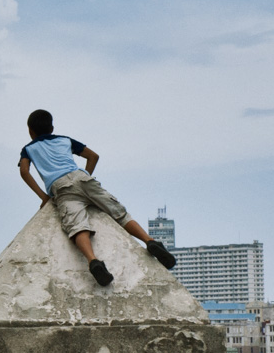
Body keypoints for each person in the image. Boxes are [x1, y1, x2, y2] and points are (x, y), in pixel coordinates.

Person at [18, 108, 177, 288]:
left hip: (61, 188)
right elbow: (93, 156)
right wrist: (86, 177)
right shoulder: (64, 140)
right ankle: (150, 241)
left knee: (77, 226)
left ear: (30, 131)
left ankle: (93, 261)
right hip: (82, 178)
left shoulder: (29, 149)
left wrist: (44, 197)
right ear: (52, 127)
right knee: (119, 212)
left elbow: (24, 171)